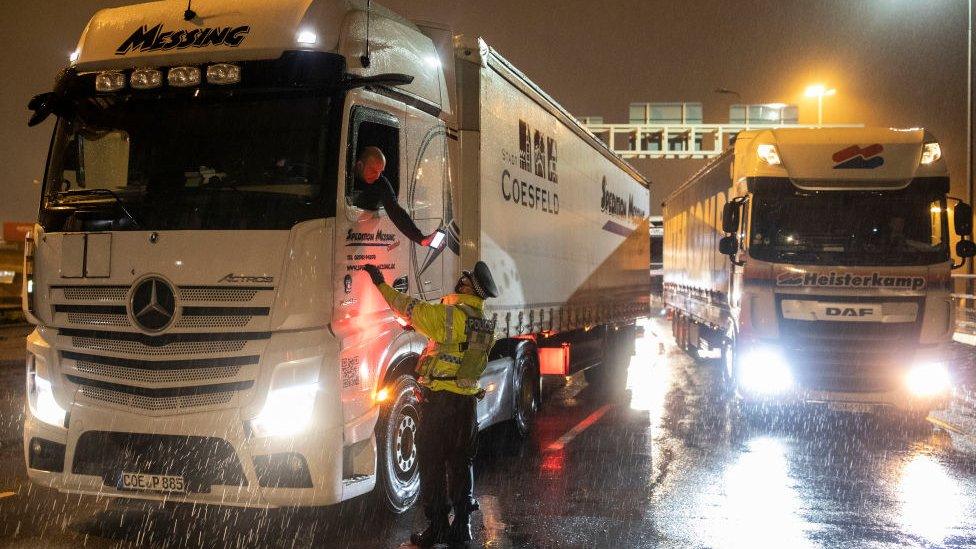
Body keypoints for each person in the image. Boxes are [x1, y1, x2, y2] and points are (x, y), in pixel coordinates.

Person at [362, 262, 499, 547]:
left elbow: (407, 307)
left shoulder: (448, 316)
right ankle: (462, 529)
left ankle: (437, 527)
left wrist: (380, 284)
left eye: (463, 280)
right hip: (466, 405)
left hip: (440, 404)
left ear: (468, 288)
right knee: (462, 465)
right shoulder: (483, 322)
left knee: (432, 465)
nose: (459, 282)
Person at [353, 146, 438, 247]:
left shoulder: (380, 182)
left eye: (380, 172)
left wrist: (420, 238)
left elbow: (395, 210)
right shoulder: (344, 176)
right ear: (359, 165)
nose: (377, 176)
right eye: (373, 170)